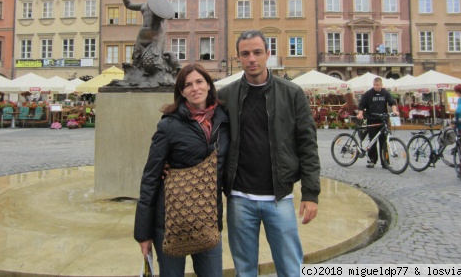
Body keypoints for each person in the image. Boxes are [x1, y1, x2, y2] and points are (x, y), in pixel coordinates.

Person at [218, 30, 321, 276]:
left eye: (257, 52)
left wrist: (310, 193)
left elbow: (307, 144)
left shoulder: (291, 92)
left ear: (268, 54)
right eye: (245, 54)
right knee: (244, 269)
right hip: (240, 197)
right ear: (238, 58)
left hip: (279, 196)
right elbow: (208, 139)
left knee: (290, 267)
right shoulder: (225, 96)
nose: (251, 59)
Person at [134, 64, 230, 276]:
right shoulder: (169, 125)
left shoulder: (224, 120)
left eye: (199, 82)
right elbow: (150, 178)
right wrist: (143, 233)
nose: (194, 88)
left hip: (208, 220)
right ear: (181, 91)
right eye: (187, 85)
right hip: (170, 221)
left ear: (208, 85)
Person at [356, 77, 399, 168]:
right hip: (372, 120)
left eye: (377, 85)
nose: (375, 87)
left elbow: (392, 102)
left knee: (384, 142)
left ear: (381, 85)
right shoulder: (368, 94)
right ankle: (372, 160)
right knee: (372, 140)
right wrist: (360, 113)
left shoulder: (385, 93)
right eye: (374, 85)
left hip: (383, 120)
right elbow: (361, 105)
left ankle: (385, 162)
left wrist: (394, 111)